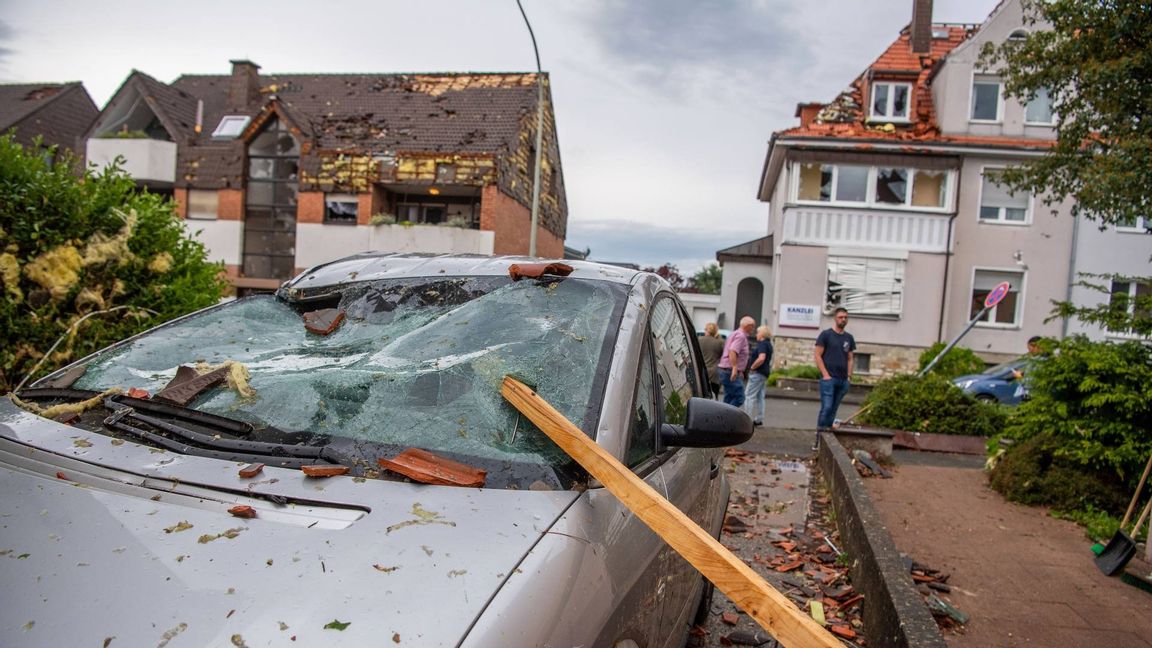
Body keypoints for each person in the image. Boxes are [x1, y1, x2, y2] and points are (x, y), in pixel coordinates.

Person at [814, 308, 856, 450]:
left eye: (845, 317)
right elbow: (818, 355)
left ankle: (828, 441)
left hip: (843, 380)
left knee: (833, 409)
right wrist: (825, 374)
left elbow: (850, 358)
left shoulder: (848, 338)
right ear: (835, 318)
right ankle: (819, 438)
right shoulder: (826, 335)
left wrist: (849, 376)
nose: (843, 319)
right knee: (826, 407)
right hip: (829, 379)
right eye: (840, 317)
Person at [718, 316, 755, 408]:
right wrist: (735, 368)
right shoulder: (741, 336)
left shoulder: (734, 333)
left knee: (729, 397)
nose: (753, 329)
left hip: (726, 370)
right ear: (747, 326)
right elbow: (732, 351)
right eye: (752, 326)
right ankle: (727, 416)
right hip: (730, 370)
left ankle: (723, 419)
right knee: (740, 397)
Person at [744, 325, 773, 426]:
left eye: (758, 332)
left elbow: (761, 358)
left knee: (749, 396)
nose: (756, 334)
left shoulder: (762, 344)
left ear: (762, 334)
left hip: (757, 373)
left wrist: (752, 367)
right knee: (760, 396)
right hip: (764, 373)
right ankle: (759, 419)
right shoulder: (769, 344)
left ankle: (746, 419)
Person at [698, 323, 725, 399]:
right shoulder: (720, 342)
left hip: (702, 372)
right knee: (714, 397)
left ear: (707, 330)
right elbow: (724, 356)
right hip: (714, 373)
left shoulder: (700, 340)